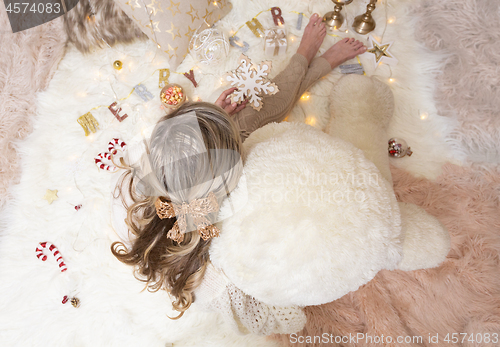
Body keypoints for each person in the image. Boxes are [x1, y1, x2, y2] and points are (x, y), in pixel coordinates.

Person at [110, 14, 366, 335]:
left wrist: (215, 119)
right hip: (263, 269)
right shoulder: (227, 255)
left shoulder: (138, 182)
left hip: (205, 181)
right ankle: (309, 60)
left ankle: (308, 62)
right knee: (266, 115)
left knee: (257, 112)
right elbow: (277, 311)